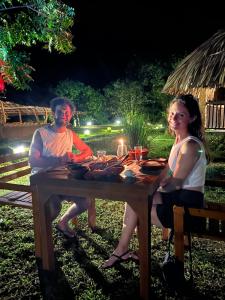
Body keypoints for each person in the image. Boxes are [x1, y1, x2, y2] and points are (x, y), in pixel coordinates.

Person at [102, 94, 207, 268]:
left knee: (138, 207)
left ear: (192, 117)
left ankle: (123, 251)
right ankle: (124, 250)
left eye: (181, 114)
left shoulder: (191, 146)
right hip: (178, 198)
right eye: (172, 113)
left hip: (187, 208)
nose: (174, 118)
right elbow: (167, 171)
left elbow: (175, 183)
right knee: (133, 201)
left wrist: (154, 186)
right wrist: (150, 181)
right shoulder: (179, 140)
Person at [29, 97, 93, 238]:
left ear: (70, 115)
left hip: (64, 180)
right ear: (53, 113)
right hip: (43, 182)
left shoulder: (70, 134)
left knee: (85, 201)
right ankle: (42, 239)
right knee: (54, 207)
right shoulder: (41, 133)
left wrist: (76, 158)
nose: (64, 114)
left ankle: (62, 223)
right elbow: (33, 160)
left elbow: (88, 151)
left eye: (67, 112)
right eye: (60, 111)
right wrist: (58, 160)